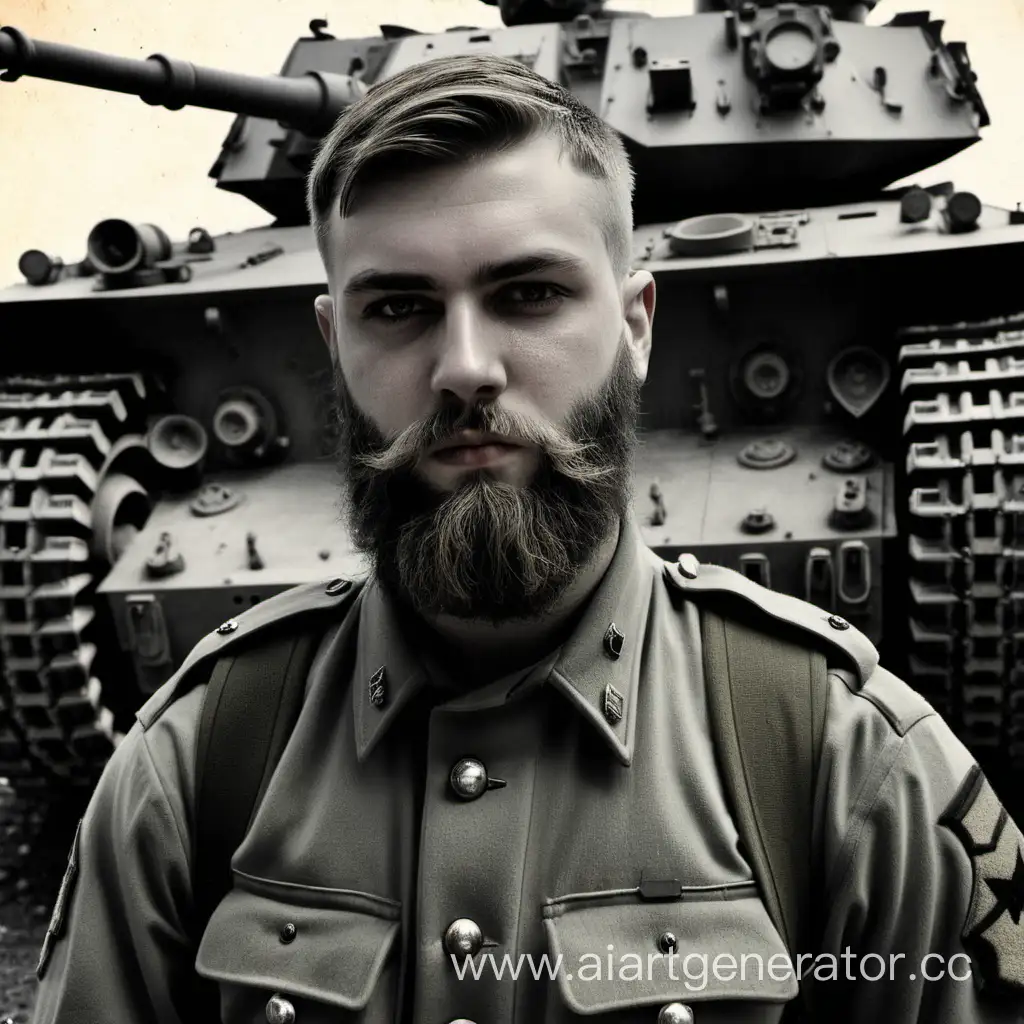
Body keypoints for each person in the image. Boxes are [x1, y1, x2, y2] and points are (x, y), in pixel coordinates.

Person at [30, 52, 1024, 1024]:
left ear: (637, 324)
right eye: (400, 306)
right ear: (331, 344)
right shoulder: (192, 762)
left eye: (530, 293)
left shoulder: (852, 765)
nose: (464, 368)